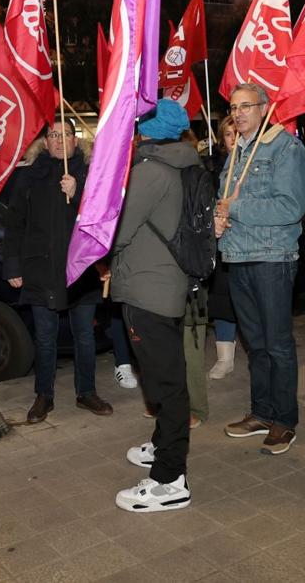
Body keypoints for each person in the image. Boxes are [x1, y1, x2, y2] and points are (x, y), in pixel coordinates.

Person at [111, 99, 199, 512]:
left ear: (147, 129)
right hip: (164, 284)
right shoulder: (182, 162)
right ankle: (164, 443)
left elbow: (118, 230)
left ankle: (169, 479)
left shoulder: (151, 171)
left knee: (165, 382)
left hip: (148, 286)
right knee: (166, 374)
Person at [216, 83, 305, 456]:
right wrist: (219, 221)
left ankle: (284, 421)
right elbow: (225, 199)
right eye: (234, 107)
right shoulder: (236, 150)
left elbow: (290, 208)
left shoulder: (286, 147)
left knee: (277, 344)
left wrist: (233, 210)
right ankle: (261, 412)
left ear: (264, 108)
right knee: (255, 344)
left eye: (246, 107)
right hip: (238, 256)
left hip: (272, 257)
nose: (238, 114)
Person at [3, 120, 112, 424]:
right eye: (53, 134)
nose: (59, 139)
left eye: (65, 134)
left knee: (85, 337)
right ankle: (44, 396)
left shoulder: (91, 172)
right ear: (45, 141)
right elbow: (15, 223)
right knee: (45, 337)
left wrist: (78, 193)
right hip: (41, 268)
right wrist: (13, 263)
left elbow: (103, 219)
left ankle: (86, 392)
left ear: (75, 140)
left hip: (82, 268)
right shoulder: (30, 174)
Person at [208, 116, 240, 380]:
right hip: (221, 242)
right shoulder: (213, 169)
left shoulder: (255, 164)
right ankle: (224, 357)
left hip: (249, 243)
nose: (234, 138)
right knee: (222, 297)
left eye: (238, 133)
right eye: (229, 134)